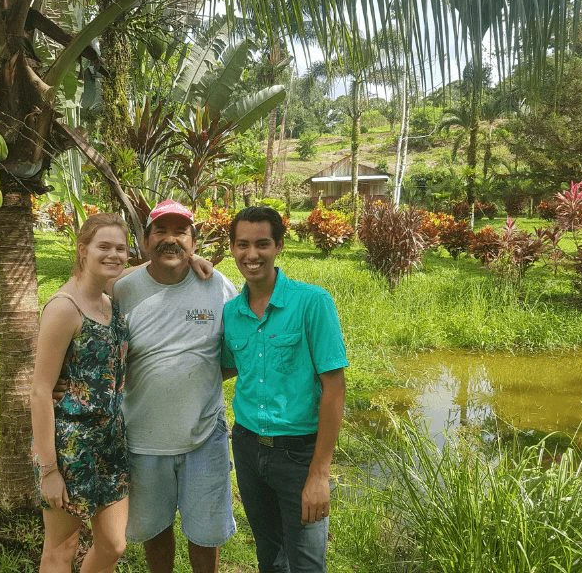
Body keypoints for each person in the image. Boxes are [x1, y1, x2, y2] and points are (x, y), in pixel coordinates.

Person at [221, 206, 349, 573]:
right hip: (247, 447)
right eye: (242, 245)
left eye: (262, 244)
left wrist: (319, 473)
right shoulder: (232, 312)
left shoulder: (312, 303)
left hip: (298, 454)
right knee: (270, 556)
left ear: (279, 246)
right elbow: (227, 368)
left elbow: (334, 388)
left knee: (306, 562)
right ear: (232, 248)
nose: (251, 255)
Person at [112, 199, 237, 573]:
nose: (170, 239)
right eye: (160, 231)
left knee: (205, 534)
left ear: (193, 240)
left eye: (180, 231)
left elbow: (233, 354)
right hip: (143, 438)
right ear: (145, 239)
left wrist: (197, 382)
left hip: (205, 437)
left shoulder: (218, 286)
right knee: (155, 529)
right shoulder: (122, 290)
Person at [30, 213, 132, 573]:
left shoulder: (109, 300)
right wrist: (49, 470)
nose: (114, 255)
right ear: (82, 250)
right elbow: (41, 391)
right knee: (61, 547)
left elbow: (145, 270)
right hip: (70, 447)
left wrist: (189, 258)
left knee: (114, 544)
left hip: (111, 440)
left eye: (121, 248)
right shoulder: (64, 308)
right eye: (103, 246)